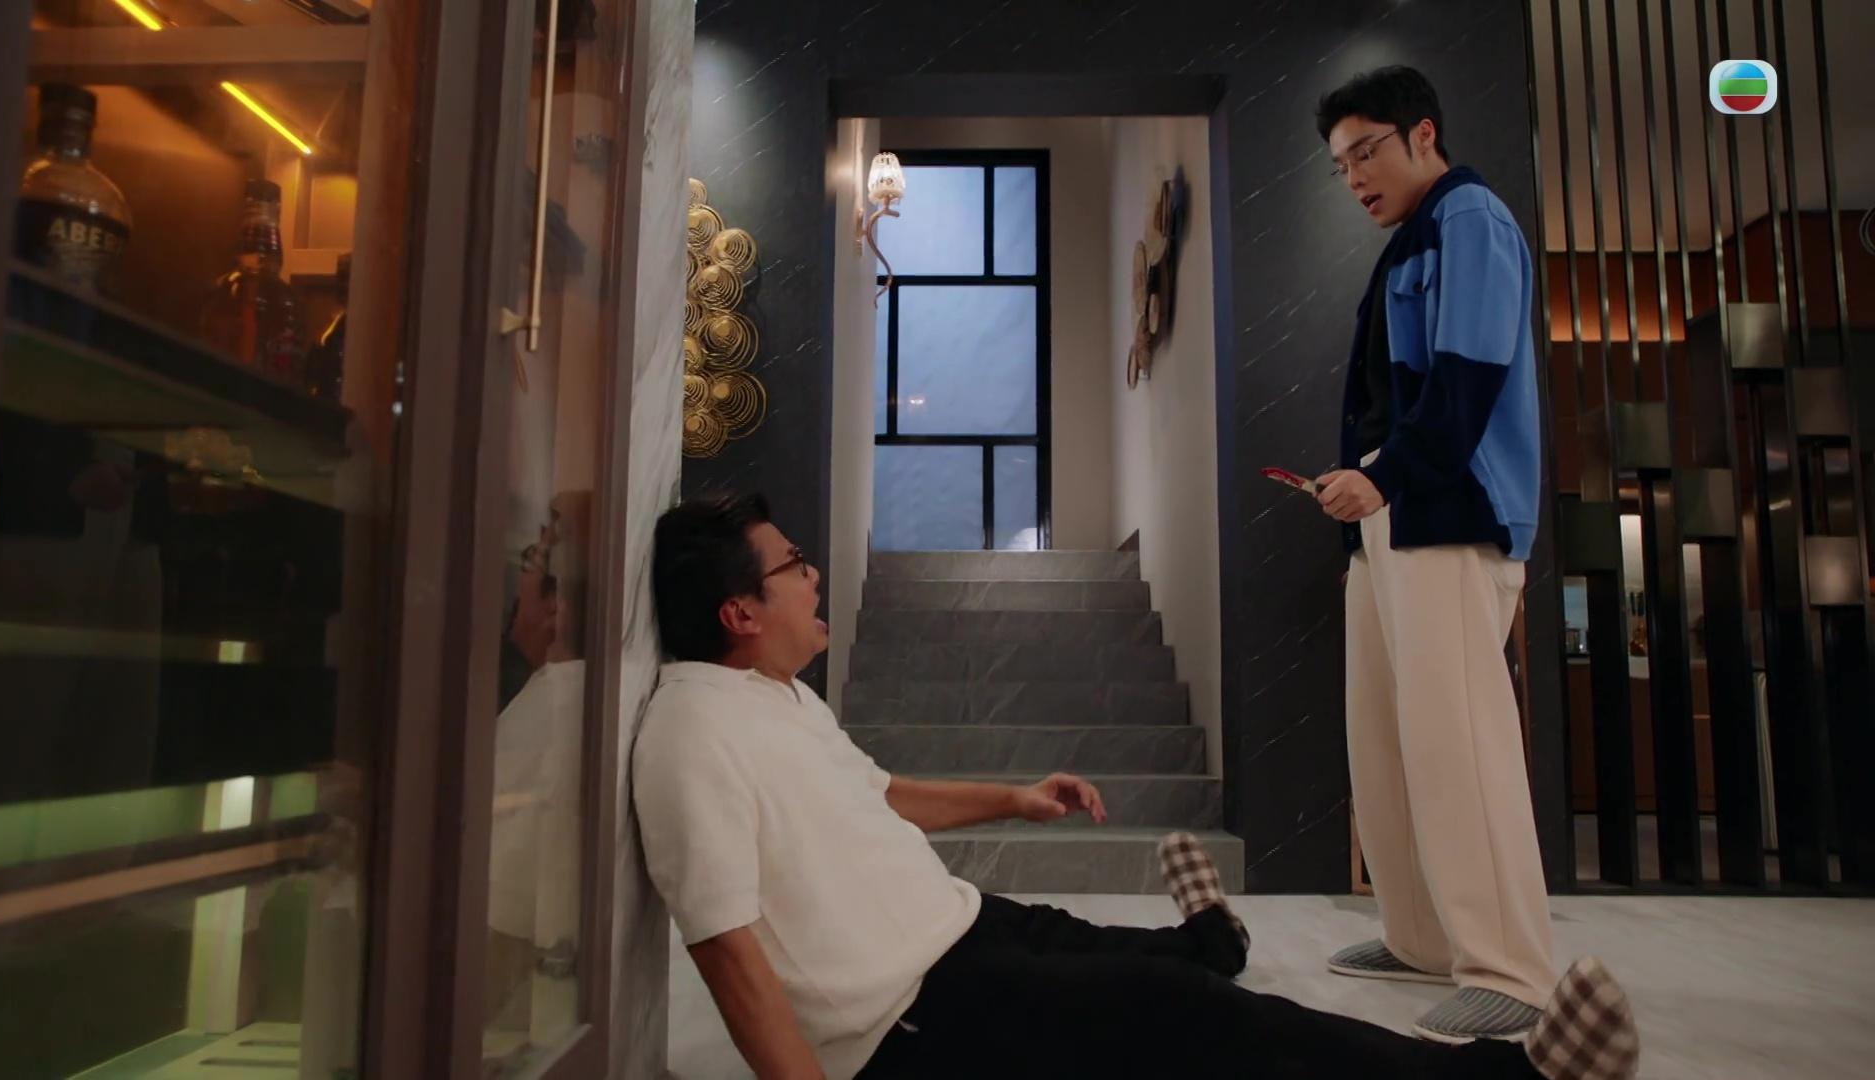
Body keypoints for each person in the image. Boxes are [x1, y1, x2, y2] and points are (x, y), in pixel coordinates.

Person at [633, 493, 1638, 1080]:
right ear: (739, 612)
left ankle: (1207, 938)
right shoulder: (691, 736)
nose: (814, 578)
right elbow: (728, 955)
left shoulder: (780, 697)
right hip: (912, 1017)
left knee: (1112, 945)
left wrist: (1015, 797)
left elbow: (883, 793)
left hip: (959, 930)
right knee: (1183, 1015)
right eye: (794, 567)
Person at [1311, 66, 1558, 1043]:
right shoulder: (1408, 242)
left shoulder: (1471, 219)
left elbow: (1466, 379)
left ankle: (1512, 970)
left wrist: (1385, 478)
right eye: (1340, 166)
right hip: (1391, 516)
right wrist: (1363, 490)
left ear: (1424, 133)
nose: (1353, 179)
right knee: (1384, 743)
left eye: (1365, 153)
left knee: (1461, 746)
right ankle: (1417, 937)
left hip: (1448, 512)